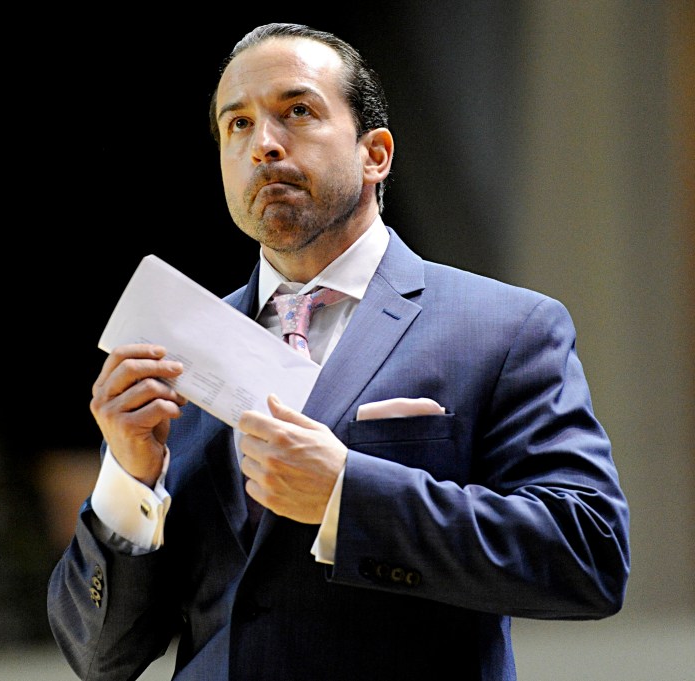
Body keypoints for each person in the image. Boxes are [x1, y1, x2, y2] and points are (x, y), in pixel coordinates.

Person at [47, 22, 630, 681]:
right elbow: (98, 656)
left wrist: (346, 495)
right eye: (237, 126)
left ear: (375, 153)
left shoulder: (506, 327)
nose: (264, 144)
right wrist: (128, 479)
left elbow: (589, 555)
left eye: (296, 111)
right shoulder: (175, 353)